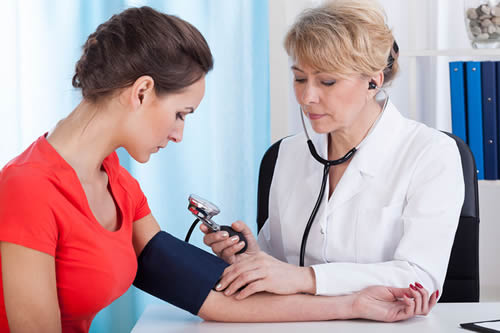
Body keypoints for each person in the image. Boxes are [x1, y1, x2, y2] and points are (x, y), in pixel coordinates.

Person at [0, 6, 436, 333]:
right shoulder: (27, 189)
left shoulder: (113, 178)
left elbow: (208, 295)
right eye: (181, 113)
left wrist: (353, 304)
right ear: (142, 92)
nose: (178, 135)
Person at [202, 0, 464, 303]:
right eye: (300, 78)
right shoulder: (287, 153)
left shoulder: (431, 154)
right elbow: (279, 263)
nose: (306, 96)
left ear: (372, 81)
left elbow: (421, 278)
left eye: (327, 81)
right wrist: (250, 259)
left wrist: (307, 278)